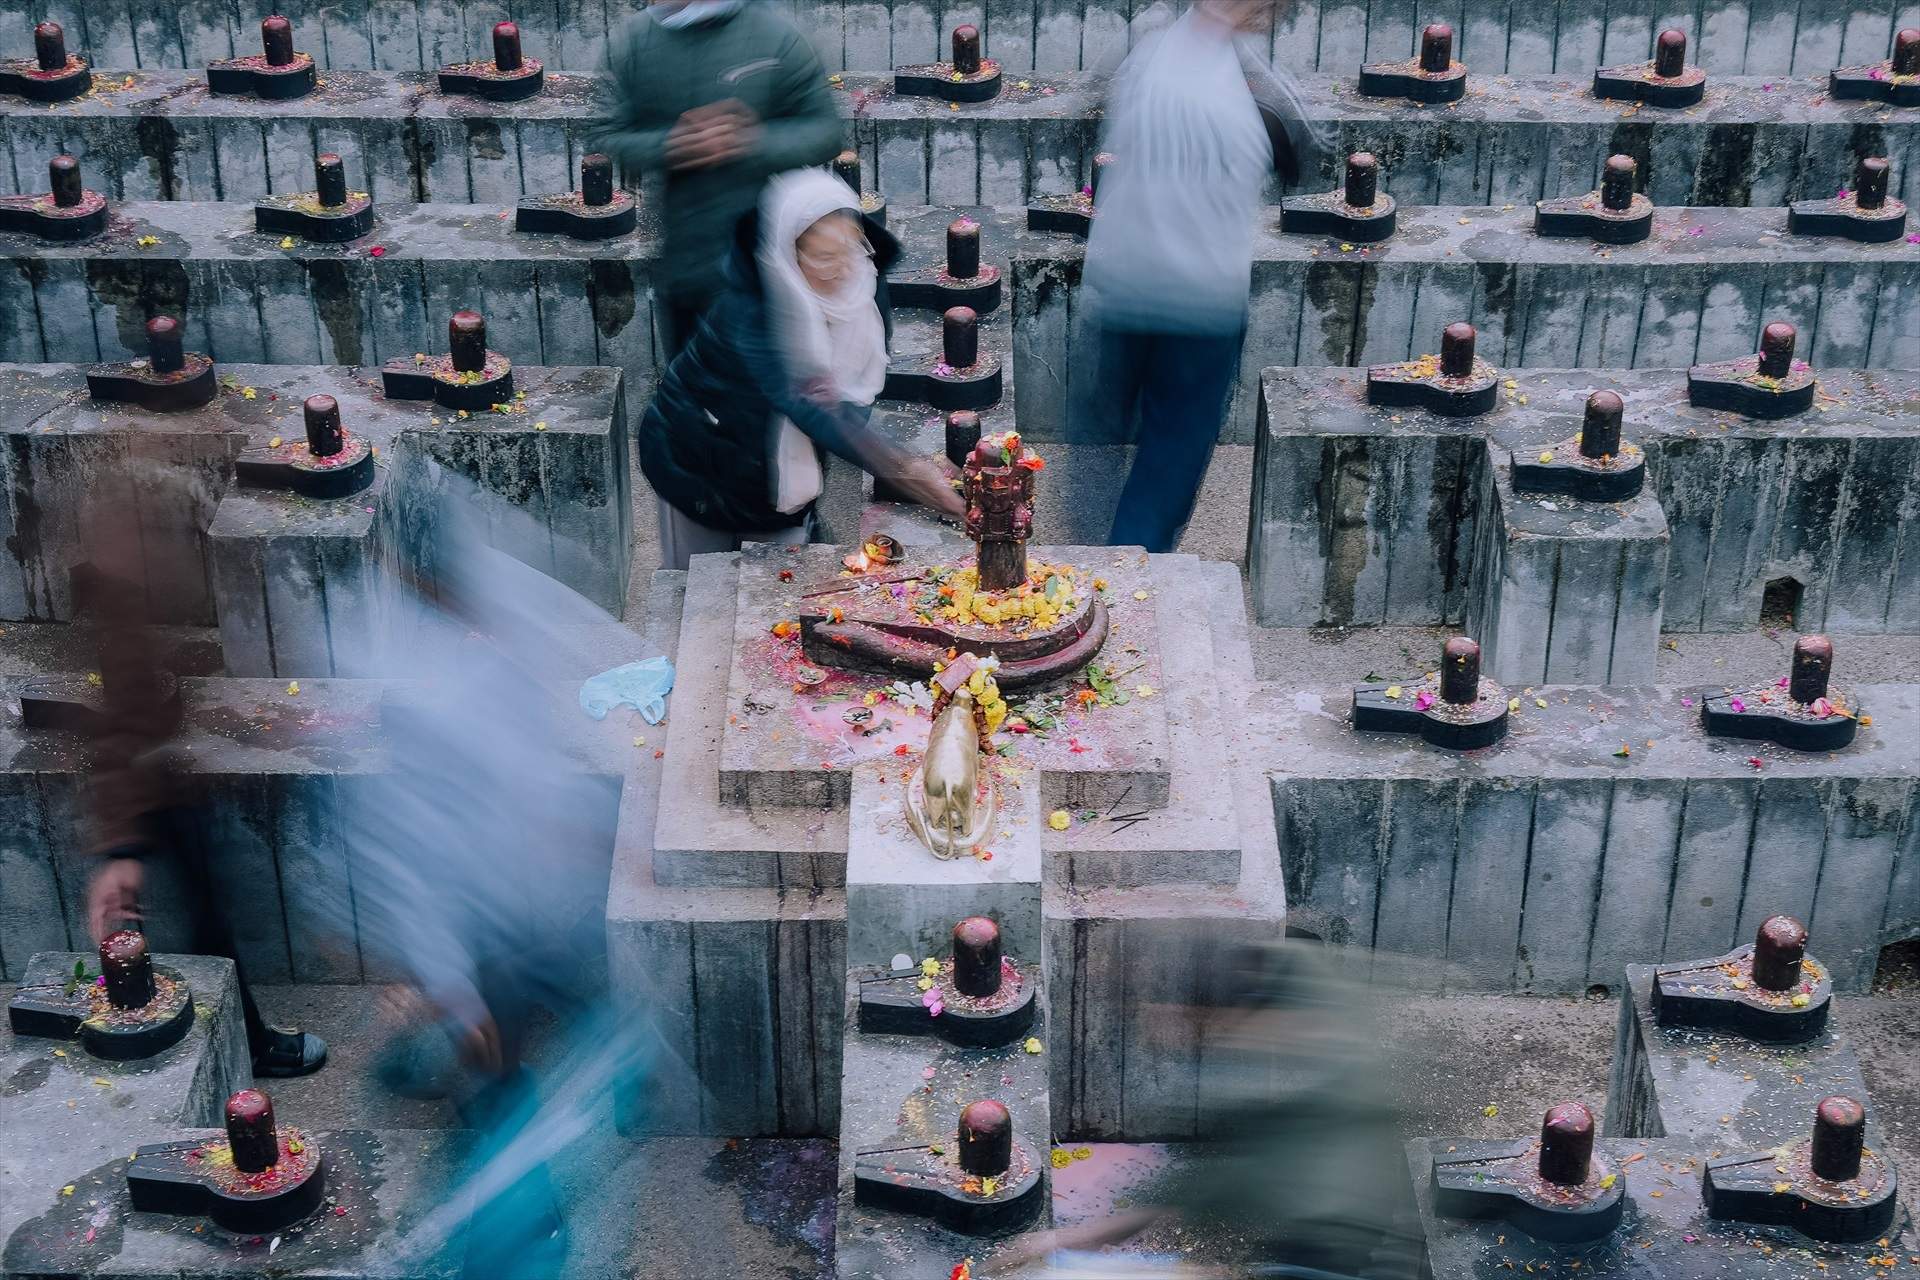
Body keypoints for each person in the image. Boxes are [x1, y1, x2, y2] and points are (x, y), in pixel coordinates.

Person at [79, 517, 326, 1079]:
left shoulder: (132, 508)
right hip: (157, 767)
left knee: (204, 909)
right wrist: (123, 844)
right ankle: (225, 1042)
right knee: (197, 912)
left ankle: (227, 1037)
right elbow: (124, 685)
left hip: (168, 756)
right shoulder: (118, 529)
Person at [1079, 0, 1326, 554]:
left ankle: (1087, 552)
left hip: (1123, 286)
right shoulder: (1250, 93)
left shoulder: (1147, 55)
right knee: (1169, 460)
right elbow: (1300, 148)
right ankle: (1128, 571)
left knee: (1101, 439)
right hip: (1200, 303)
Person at [639, 168, 964, 570]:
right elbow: (803, 402)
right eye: (823, 257)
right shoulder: (750, 310)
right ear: (787, 254)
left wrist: (903, 463)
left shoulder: (862, 280)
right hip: (696, 457)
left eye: (850, 249)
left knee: (779, 580)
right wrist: (905, 469)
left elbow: (846, 394)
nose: (843, 268)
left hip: (777, 473)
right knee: (699, 583)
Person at [590, 0, 845, 355]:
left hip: (768, 264)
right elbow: (606, 134)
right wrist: (670, 145)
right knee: (687, 388)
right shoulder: (636, 40)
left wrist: (747, 142)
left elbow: (826, 131)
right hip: (684, 264)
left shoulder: (774, 37)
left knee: (759, 393)